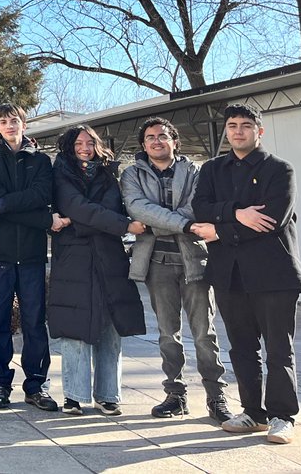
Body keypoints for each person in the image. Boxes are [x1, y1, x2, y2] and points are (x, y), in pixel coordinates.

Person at [192, 104, 301, 445]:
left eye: (245, 125)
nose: (238, 131)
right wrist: (238, 213)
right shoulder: (212, 170)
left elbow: (274, 219)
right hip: (230, 275)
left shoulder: (279, 169)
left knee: (278, 350)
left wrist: (222, 230)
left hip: (274, 274)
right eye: (232, 125)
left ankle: (282, 416)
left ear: (260, 131)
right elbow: (200, 208)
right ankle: (253, 414)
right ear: (226, 131)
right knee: (242, 348)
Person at [120, 116, 232, 423]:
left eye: (162, 136)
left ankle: (216, 396)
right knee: (168, 335)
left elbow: (199, 206)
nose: (156, 141)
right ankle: (176, 395)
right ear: (143, 145)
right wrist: (183, 225)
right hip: (157, 264)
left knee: (204, 335)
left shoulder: (195, 170)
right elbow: (137, 208)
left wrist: (159, 223)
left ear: (174, 141)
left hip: (194, 261)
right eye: (150, 138)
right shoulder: (131, 174)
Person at [48, 125, 146, 415]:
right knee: (75, 327)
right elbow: (76, 205)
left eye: (90, 142)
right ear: (69, 146)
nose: (85, 147)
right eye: (79, 142)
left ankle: (108, 395)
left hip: (109, 256)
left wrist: (71, 222)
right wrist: (122, 225)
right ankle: (74, 396)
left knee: (110, 326)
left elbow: (107, 208)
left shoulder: (109, 173)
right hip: (73, 260)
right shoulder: (60, 172)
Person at [0, 103, 65, 411]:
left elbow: (41, 197)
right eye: (3, 121)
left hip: (31, 257)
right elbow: (2, 200)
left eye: (14, 120)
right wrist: (43, 218)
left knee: (35, 323)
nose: (9, 125)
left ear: (24, 124)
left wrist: (2, 207)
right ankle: (1, 383)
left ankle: (36, 385)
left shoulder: (41, 161)